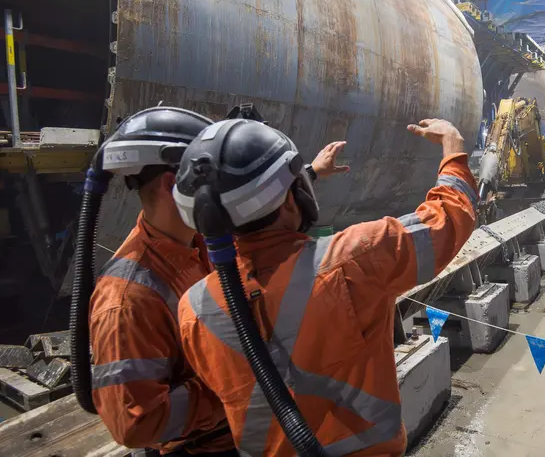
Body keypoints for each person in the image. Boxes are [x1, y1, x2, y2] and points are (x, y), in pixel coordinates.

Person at [175, 118, 477, 456]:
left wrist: (309, 174)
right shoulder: (356, 257)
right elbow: (449, 219)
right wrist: (453, 146)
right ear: (290, 201)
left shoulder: (194, 310)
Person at [89, 106, 350, 455]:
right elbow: (135, 423)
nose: (229, 190)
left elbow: (251, 202)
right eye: (218, 180)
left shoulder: (198, 238)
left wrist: (309, 174)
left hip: (250, 427)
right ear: (173, 185)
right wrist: (233, 379)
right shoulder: (127, 301)